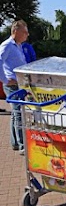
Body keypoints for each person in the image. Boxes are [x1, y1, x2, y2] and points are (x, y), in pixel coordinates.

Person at [0, 20, 29, 154]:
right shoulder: (7, 45)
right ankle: (22, 145)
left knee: (16, 113)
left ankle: (15, 143)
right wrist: (5, 79)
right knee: (19, 113)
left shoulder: (18, 45)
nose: (27, 34)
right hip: (12, 85)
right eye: (25, 32)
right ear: (16, 31)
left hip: (18, 83)